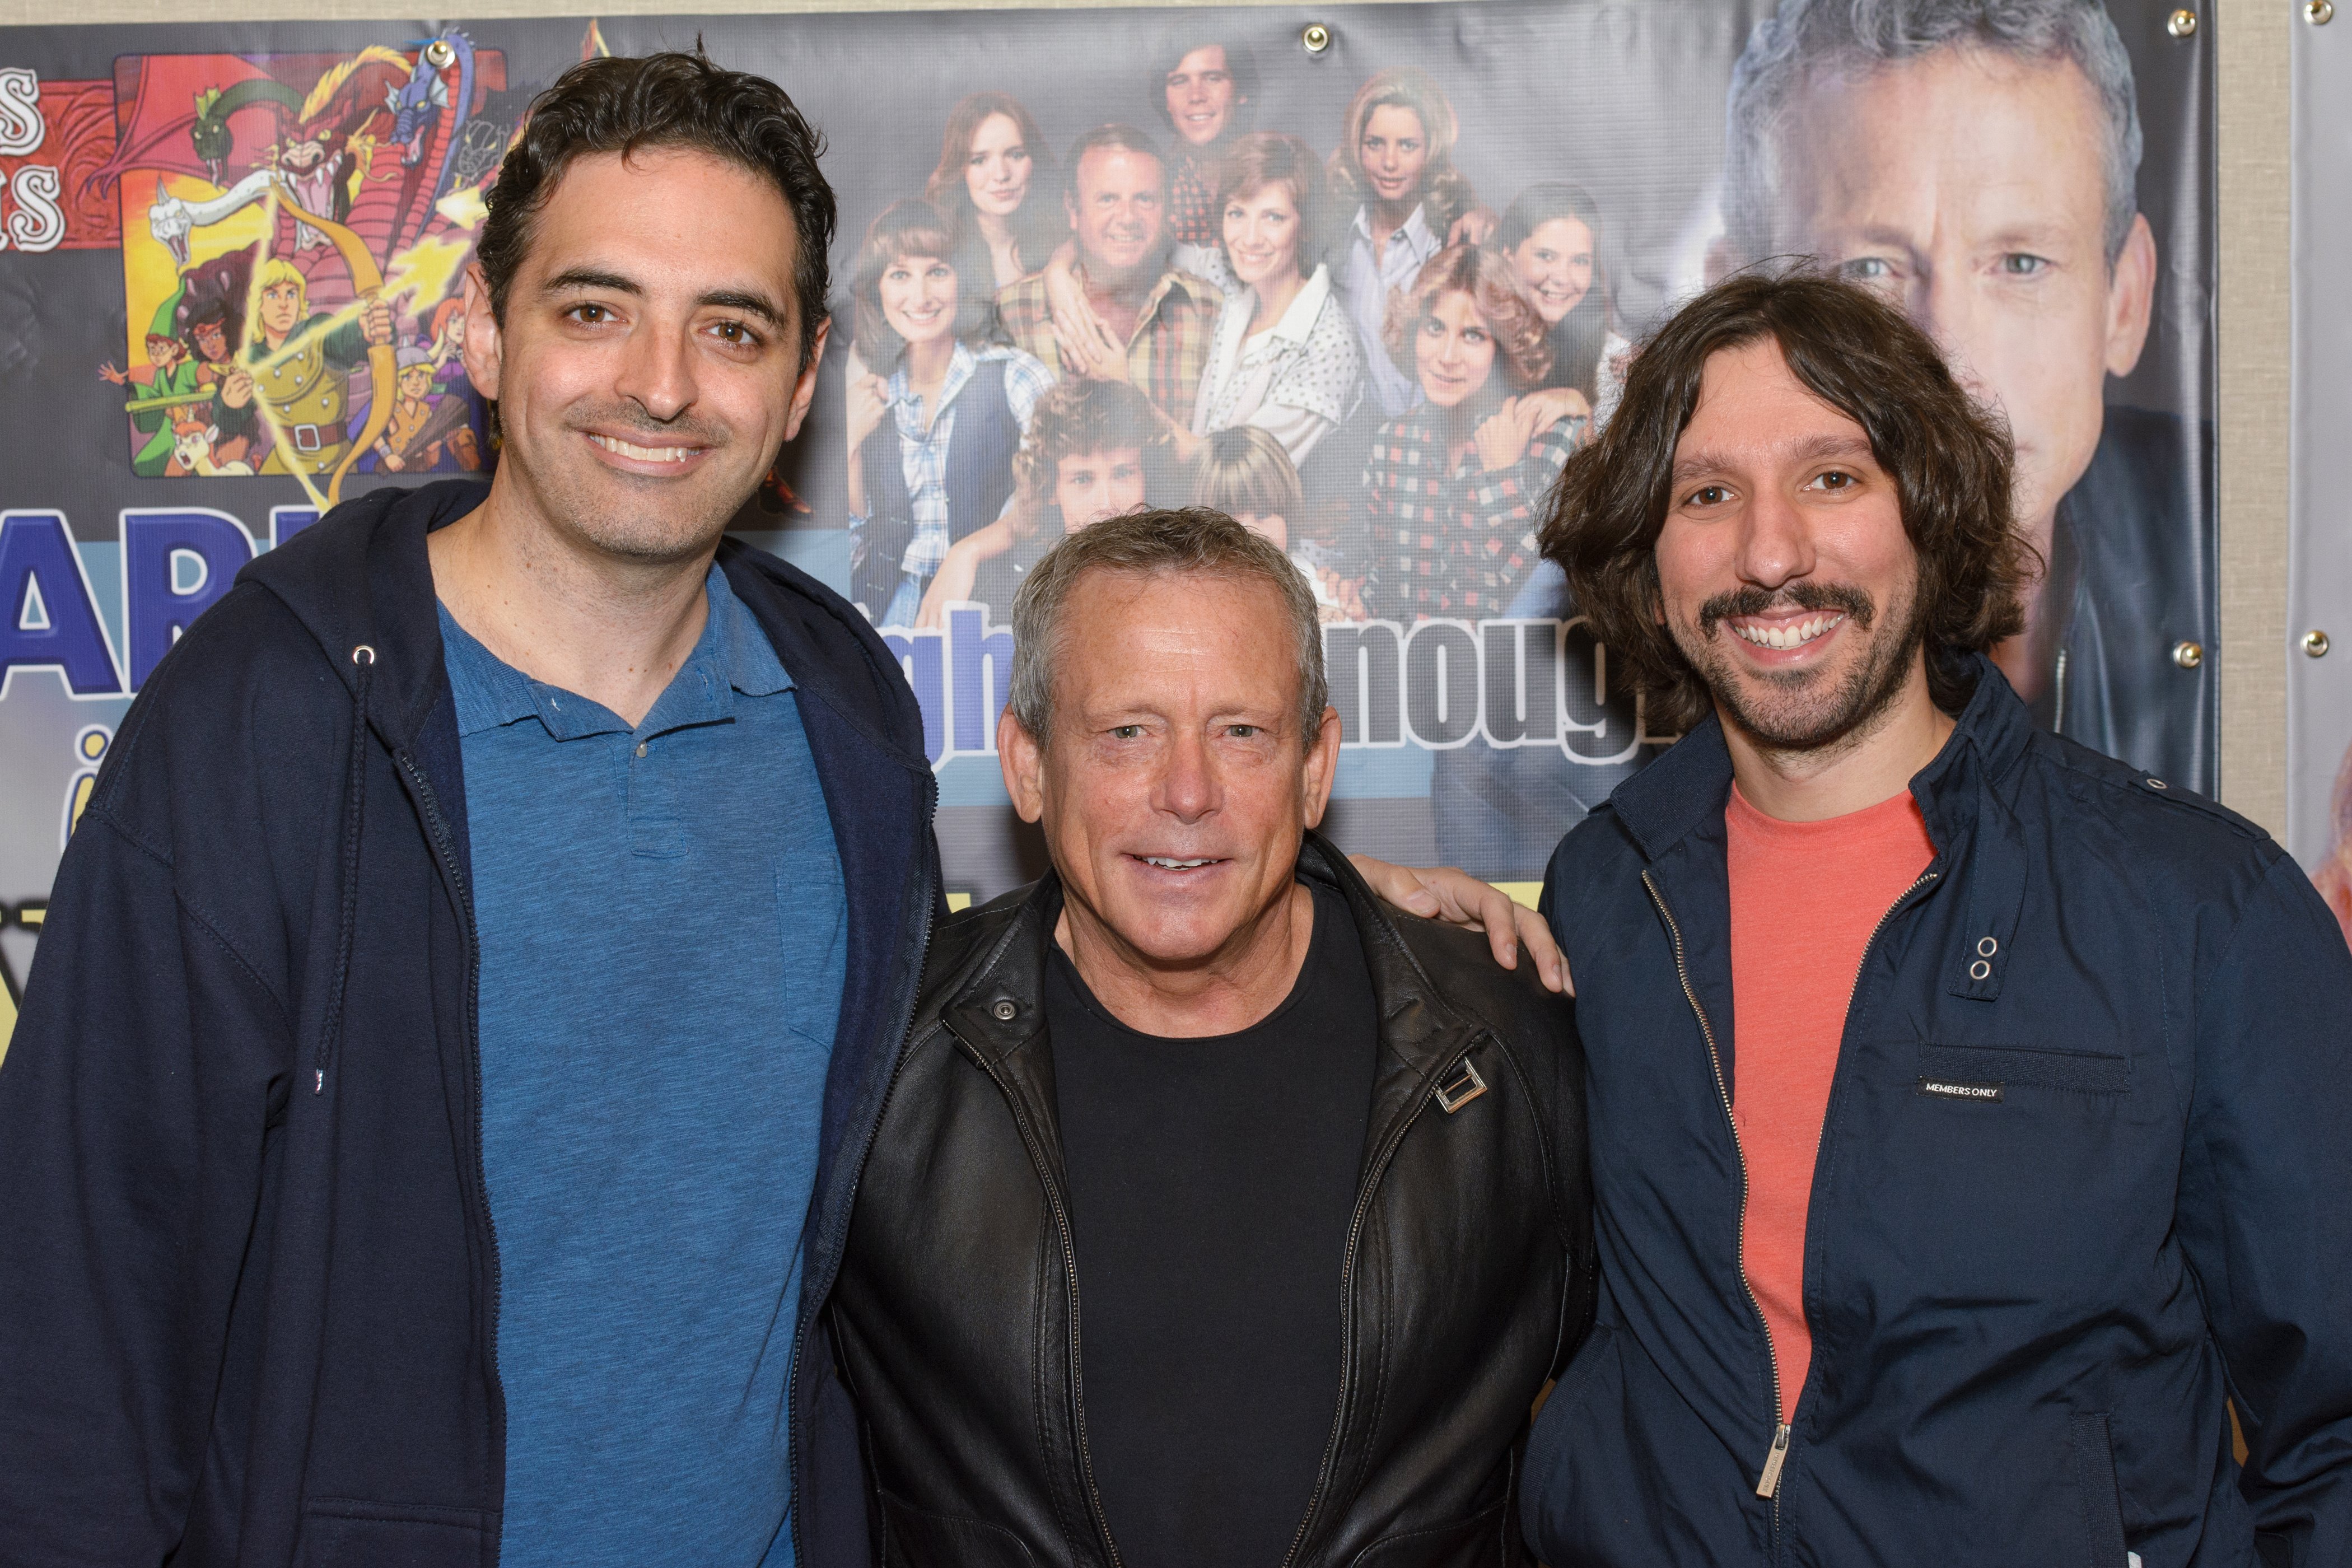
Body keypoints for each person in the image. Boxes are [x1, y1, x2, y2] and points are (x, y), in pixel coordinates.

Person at [0, 53, 939, 1568]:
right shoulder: (271, 716)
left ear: (805, 381)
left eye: (732, 329)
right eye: (593, 309)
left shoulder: (850, 721)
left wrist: (1356, 913)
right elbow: (77, 1291)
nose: (661, 382)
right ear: (484, 338)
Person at [1518, 270, 2352, 1563]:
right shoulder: (1606, 891)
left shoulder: (2197, 911)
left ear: (1930, 508)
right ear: (1651, 549)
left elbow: (2336, 1426)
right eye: (1707, 493)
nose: (1770, 552)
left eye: (1833, 477)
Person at [832, 506, 1592, 1568]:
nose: (1187, 793)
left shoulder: (1508, 1049)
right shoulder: (874, 1065)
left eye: (1242, 732)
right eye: (1126, 732)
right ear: (1028, 764)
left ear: (1316, 767)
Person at [1720, 0, 2213, 791]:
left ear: (2125, 302)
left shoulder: (2278, 564)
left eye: (2021, 263)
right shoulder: (1585, 703)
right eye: (1869, 270)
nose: (1952, 361)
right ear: (1735, 312)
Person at [842, 198, 1053, 624]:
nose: (920, 297)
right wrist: (848, 442)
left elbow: (1052, 498)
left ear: (963, 279)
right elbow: (856, 539)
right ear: (878, 289)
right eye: (900, 275)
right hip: (885, 610)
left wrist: (968, 550)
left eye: (937, 271)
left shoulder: (1015, 375)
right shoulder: (872, 394)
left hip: (993, 605)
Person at [1359, 244, 1584, 622]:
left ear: (1504, 346)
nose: (1447, 356)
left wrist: (1502, 477)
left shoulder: (1557, 440)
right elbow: (1381, 590)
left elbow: (1544, 601)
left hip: (1513, 676)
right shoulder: (1391, 445)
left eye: (1473, 336)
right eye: (1434, 328)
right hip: (1414, 674)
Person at [995, 123, 1220, 427]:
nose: (1128, 218)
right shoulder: (1012, 314)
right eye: (1107, 199)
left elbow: (1222, 458)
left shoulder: (1210, 312)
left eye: (1144, 199)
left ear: (1166, 209)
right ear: (1073, 209)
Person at [917, 375, 1166, 626]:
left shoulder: (1176, 576)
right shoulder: (1018, 590)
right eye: (1082, 479)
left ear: (1148, 475)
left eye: (1123, 473)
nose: (1107, 503)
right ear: (1051, 490)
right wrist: (966, 551)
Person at [1183, 130, 1360, 472]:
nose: (1249, 239)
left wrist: (1137, 407)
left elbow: (1232, 478)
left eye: (1273, 217)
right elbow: (1144, 249)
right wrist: (1059, 266)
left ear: (1305, 225)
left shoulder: (1329, 344)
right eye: (1237, 213)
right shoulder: (1232, 282)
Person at [1328, 68, 1493, 419]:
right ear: (1358, 147)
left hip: (1440, 434)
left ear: (1431, 150)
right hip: (1359, 442)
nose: (1390, 163)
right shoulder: (1336, 239)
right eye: (1376, 143)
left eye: (1407, 145)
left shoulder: (1454, 242)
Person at [1496, 182, 1630, 430]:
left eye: (1580, 261)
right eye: (1546, 256)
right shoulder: (1477, 340)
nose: (1562, 277)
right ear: (1508, 256)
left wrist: (1581, 407)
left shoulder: (1616, 361)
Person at [922, 91, 1061, 303]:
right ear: (960, 170)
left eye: (1016, 155)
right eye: (979, 160)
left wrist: (1061, 264)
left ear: (1034, 160)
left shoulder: (1062, 242)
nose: (1001, 175)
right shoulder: (938, 251)